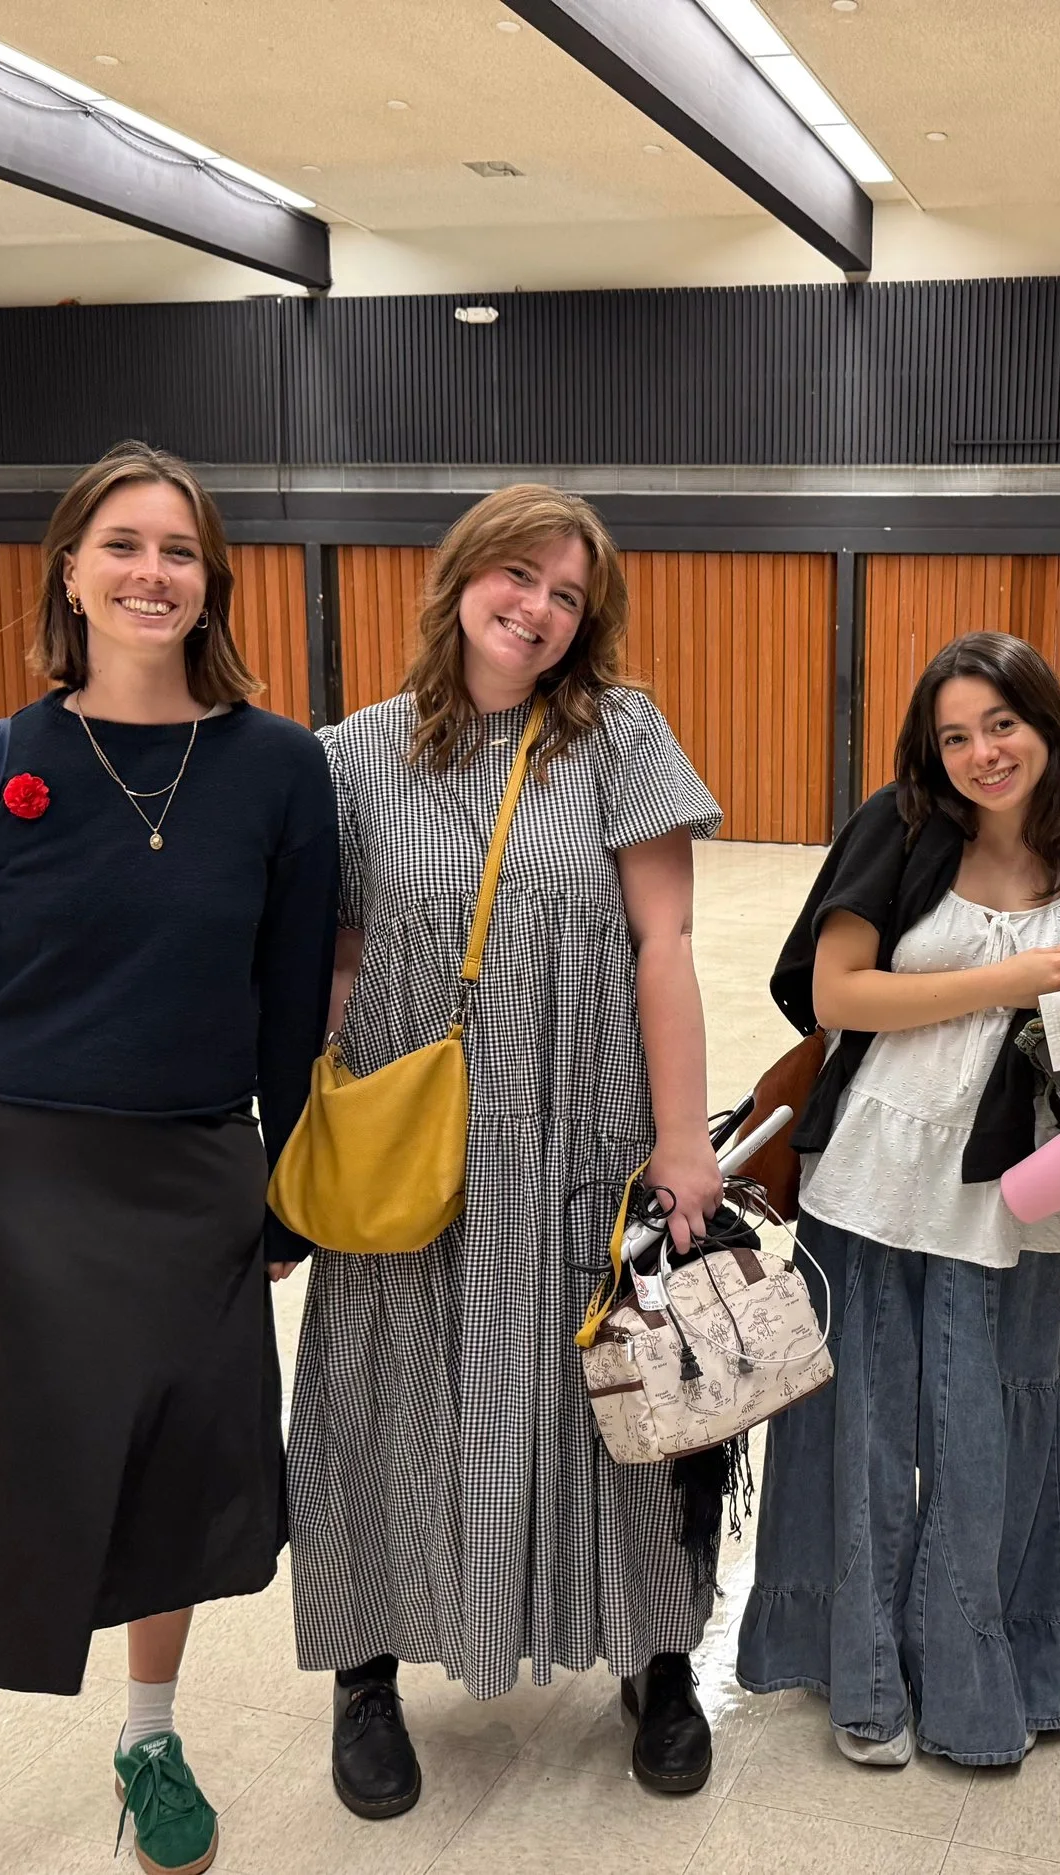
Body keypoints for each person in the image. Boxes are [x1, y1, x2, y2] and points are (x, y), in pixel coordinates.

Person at [0, 442, 338, 1875]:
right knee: (38, 1502)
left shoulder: (279, 768)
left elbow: (289, 1001)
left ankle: (149, 1738)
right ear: (72, 575)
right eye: (123, 545)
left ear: (212, 582)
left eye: (179, 549)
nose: (153, 572)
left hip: (202, 1168)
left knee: (193, 1474)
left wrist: (284, 1191)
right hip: (24, 1173)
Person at [288, 484, 726, 1816]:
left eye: (567, 594)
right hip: (412, 1142)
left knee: (617, 1392)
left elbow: (664, 944)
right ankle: (364, 1670)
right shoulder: (352, 755)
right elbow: (337, 958)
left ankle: (656, 1656)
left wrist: (683, 1139)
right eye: (518, 576)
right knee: (382, 1390)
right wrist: (327, 1131)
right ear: (462, 575)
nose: (537, 609)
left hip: (580, 1123)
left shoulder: (618, 736)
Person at [738, 632, 1060, 1768]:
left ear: (1047, 724)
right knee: (862, 1423)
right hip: (871, 1174)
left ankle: (986, 1671)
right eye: (955, 734)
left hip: (1013, 1194)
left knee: (992, 1430)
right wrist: (1008, 980)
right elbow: (838, 994)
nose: (982, 753)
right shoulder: (904, 826)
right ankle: (863, 1674)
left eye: (1001, 725)